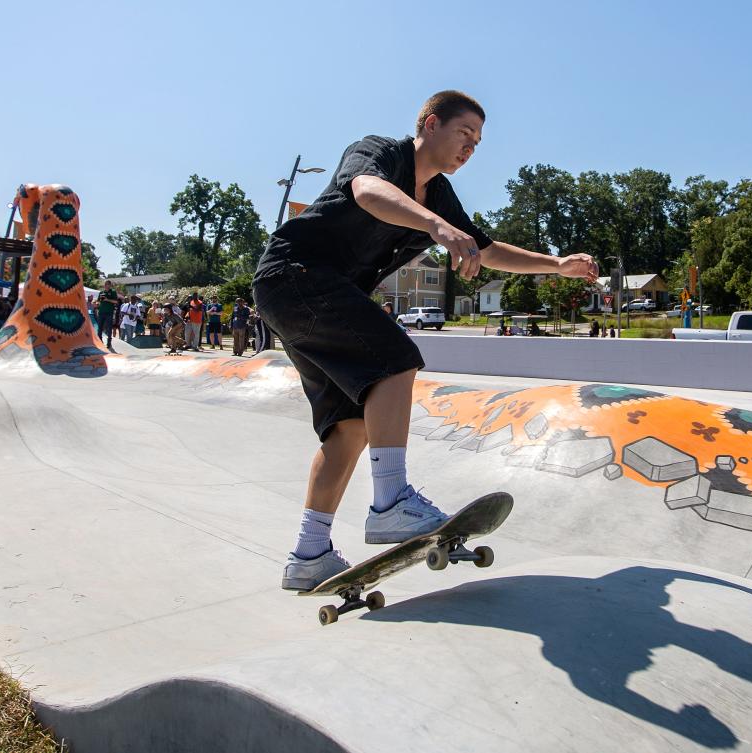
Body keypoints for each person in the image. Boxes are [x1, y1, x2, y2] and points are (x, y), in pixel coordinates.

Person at [254, 90, 598, 591]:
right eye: (464, 133)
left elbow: (484, 248)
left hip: (305, 296)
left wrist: (556, 265)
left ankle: (309, 553)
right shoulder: (381, 153)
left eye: (478, 142)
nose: (471, 148)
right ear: (431, 124)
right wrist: (435, 226)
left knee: (347, 426)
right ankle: (391, 501)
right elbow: (366, 191)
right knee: (393, 360)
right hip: (296, 275)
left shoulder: (438, 194)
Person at [95, 280, 119, 348]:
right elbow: (98, 301)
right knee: (99, 328)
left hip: (109, 313)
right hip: (101, 312)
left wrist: (107, 299)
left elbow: (116, 301)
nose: (107, 285)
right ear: (104, 285)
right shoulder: (101, 292)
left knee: (109, 328)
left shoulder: (113, 292)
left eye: (108, 284)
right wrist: (97, 304)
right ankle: (100, 341)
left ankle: (109, 343)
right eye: (106, 284)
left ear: (110, 285)